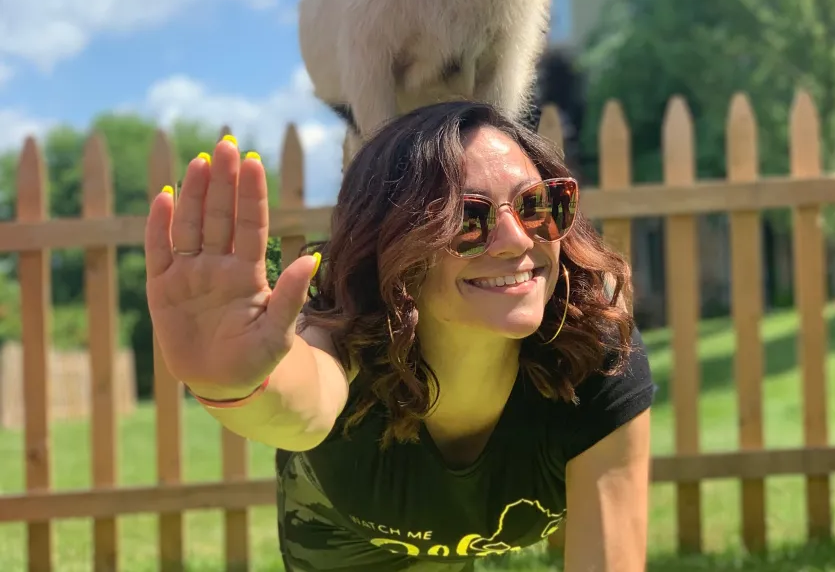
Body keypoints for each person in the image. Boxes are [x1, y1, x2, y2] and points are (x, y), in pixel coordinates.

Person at [144, 101, 655, 571]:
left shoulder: (594, 347)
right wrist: (239, 386)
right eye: (466, 218)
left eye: (537, 204)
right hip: (351, 534)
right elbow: (301, 403)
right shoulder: (345, 324)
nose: (517, 240)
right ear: (390, 245)